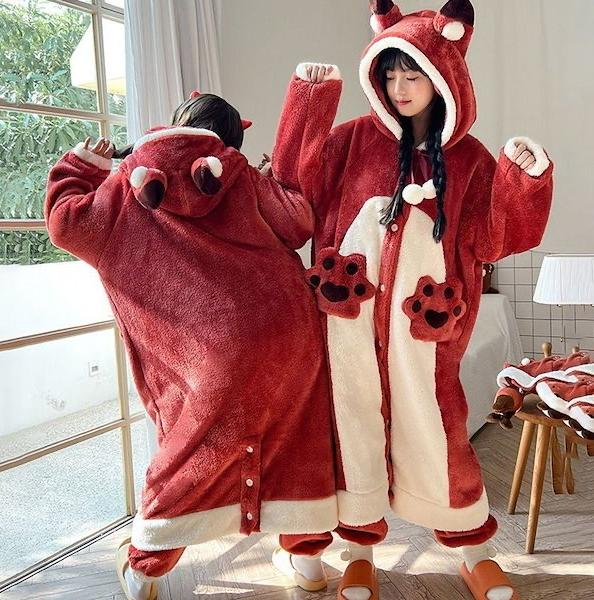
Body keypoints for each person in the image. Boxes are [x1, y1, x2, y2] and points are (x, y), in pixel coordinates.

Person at [270, 1, 553, 600]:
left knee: (440, 435)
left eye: (413, 74)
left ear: (443, 77)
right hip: (344, 323)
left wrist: (523, 181)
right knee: (351, 432)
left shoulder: (470, 160)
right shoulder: (351, 142)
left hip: (428, 334)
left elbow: (499, 238)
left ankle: (475, 552)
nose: (399, 88)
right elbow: (293, 187)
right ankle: (358, 554)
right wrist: (310, 102)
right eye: (390, 74)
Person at [45, 92, 338, 600]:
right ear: (232, 139)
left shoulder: (129, 179)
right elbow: (297, 224)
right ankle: (308, 562)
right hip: (288, 332)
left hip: (205, 349)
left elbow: (68, 225)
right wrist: (270, 178)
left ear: (179, 121)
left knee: (191, 455)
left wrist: (79, 168)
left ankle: (145, 570)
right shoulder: (242, 175)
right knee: (296, 439)